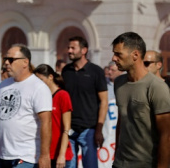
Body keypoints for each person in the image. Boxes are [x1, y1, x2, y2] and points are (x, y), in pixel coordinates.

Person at [0, 44, 52, 168]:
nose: (6, 63)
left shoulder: (39, 87)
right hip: (2, 156)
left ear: (25, 62)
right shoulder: (3, 85)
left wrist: (44, 156)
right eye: (5, 59)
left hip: (26, 158)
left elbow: (46, 123)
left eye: (11, 60)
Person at [111, 32, 170, 167]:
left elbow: (166, 136)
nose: (113, 58)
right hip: (120, 163)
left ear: (135, 55)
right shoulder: (119, 82)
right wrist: (116, 155)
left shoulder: (157, 87)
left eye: (118, 54)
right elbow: (122, 120)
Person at [61, 36, 107, 168]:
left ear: (84, 50)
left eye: (73, 48)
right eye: (68, 47)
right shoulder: (66, 71)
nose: (69, 50)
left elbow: (103, 102)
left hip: (89, 130)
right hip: (68, 130)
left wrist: (99, 129)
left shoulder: (96, 71)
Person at [34, 64, 73, 168]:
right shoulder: (39, 96)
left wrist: (61, 154)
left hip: (59, 155)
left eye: (41, 80)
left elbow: (67, 128)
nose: (38, 84)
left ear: (50, 77)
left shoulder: (63, 95)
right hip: (43, 154)